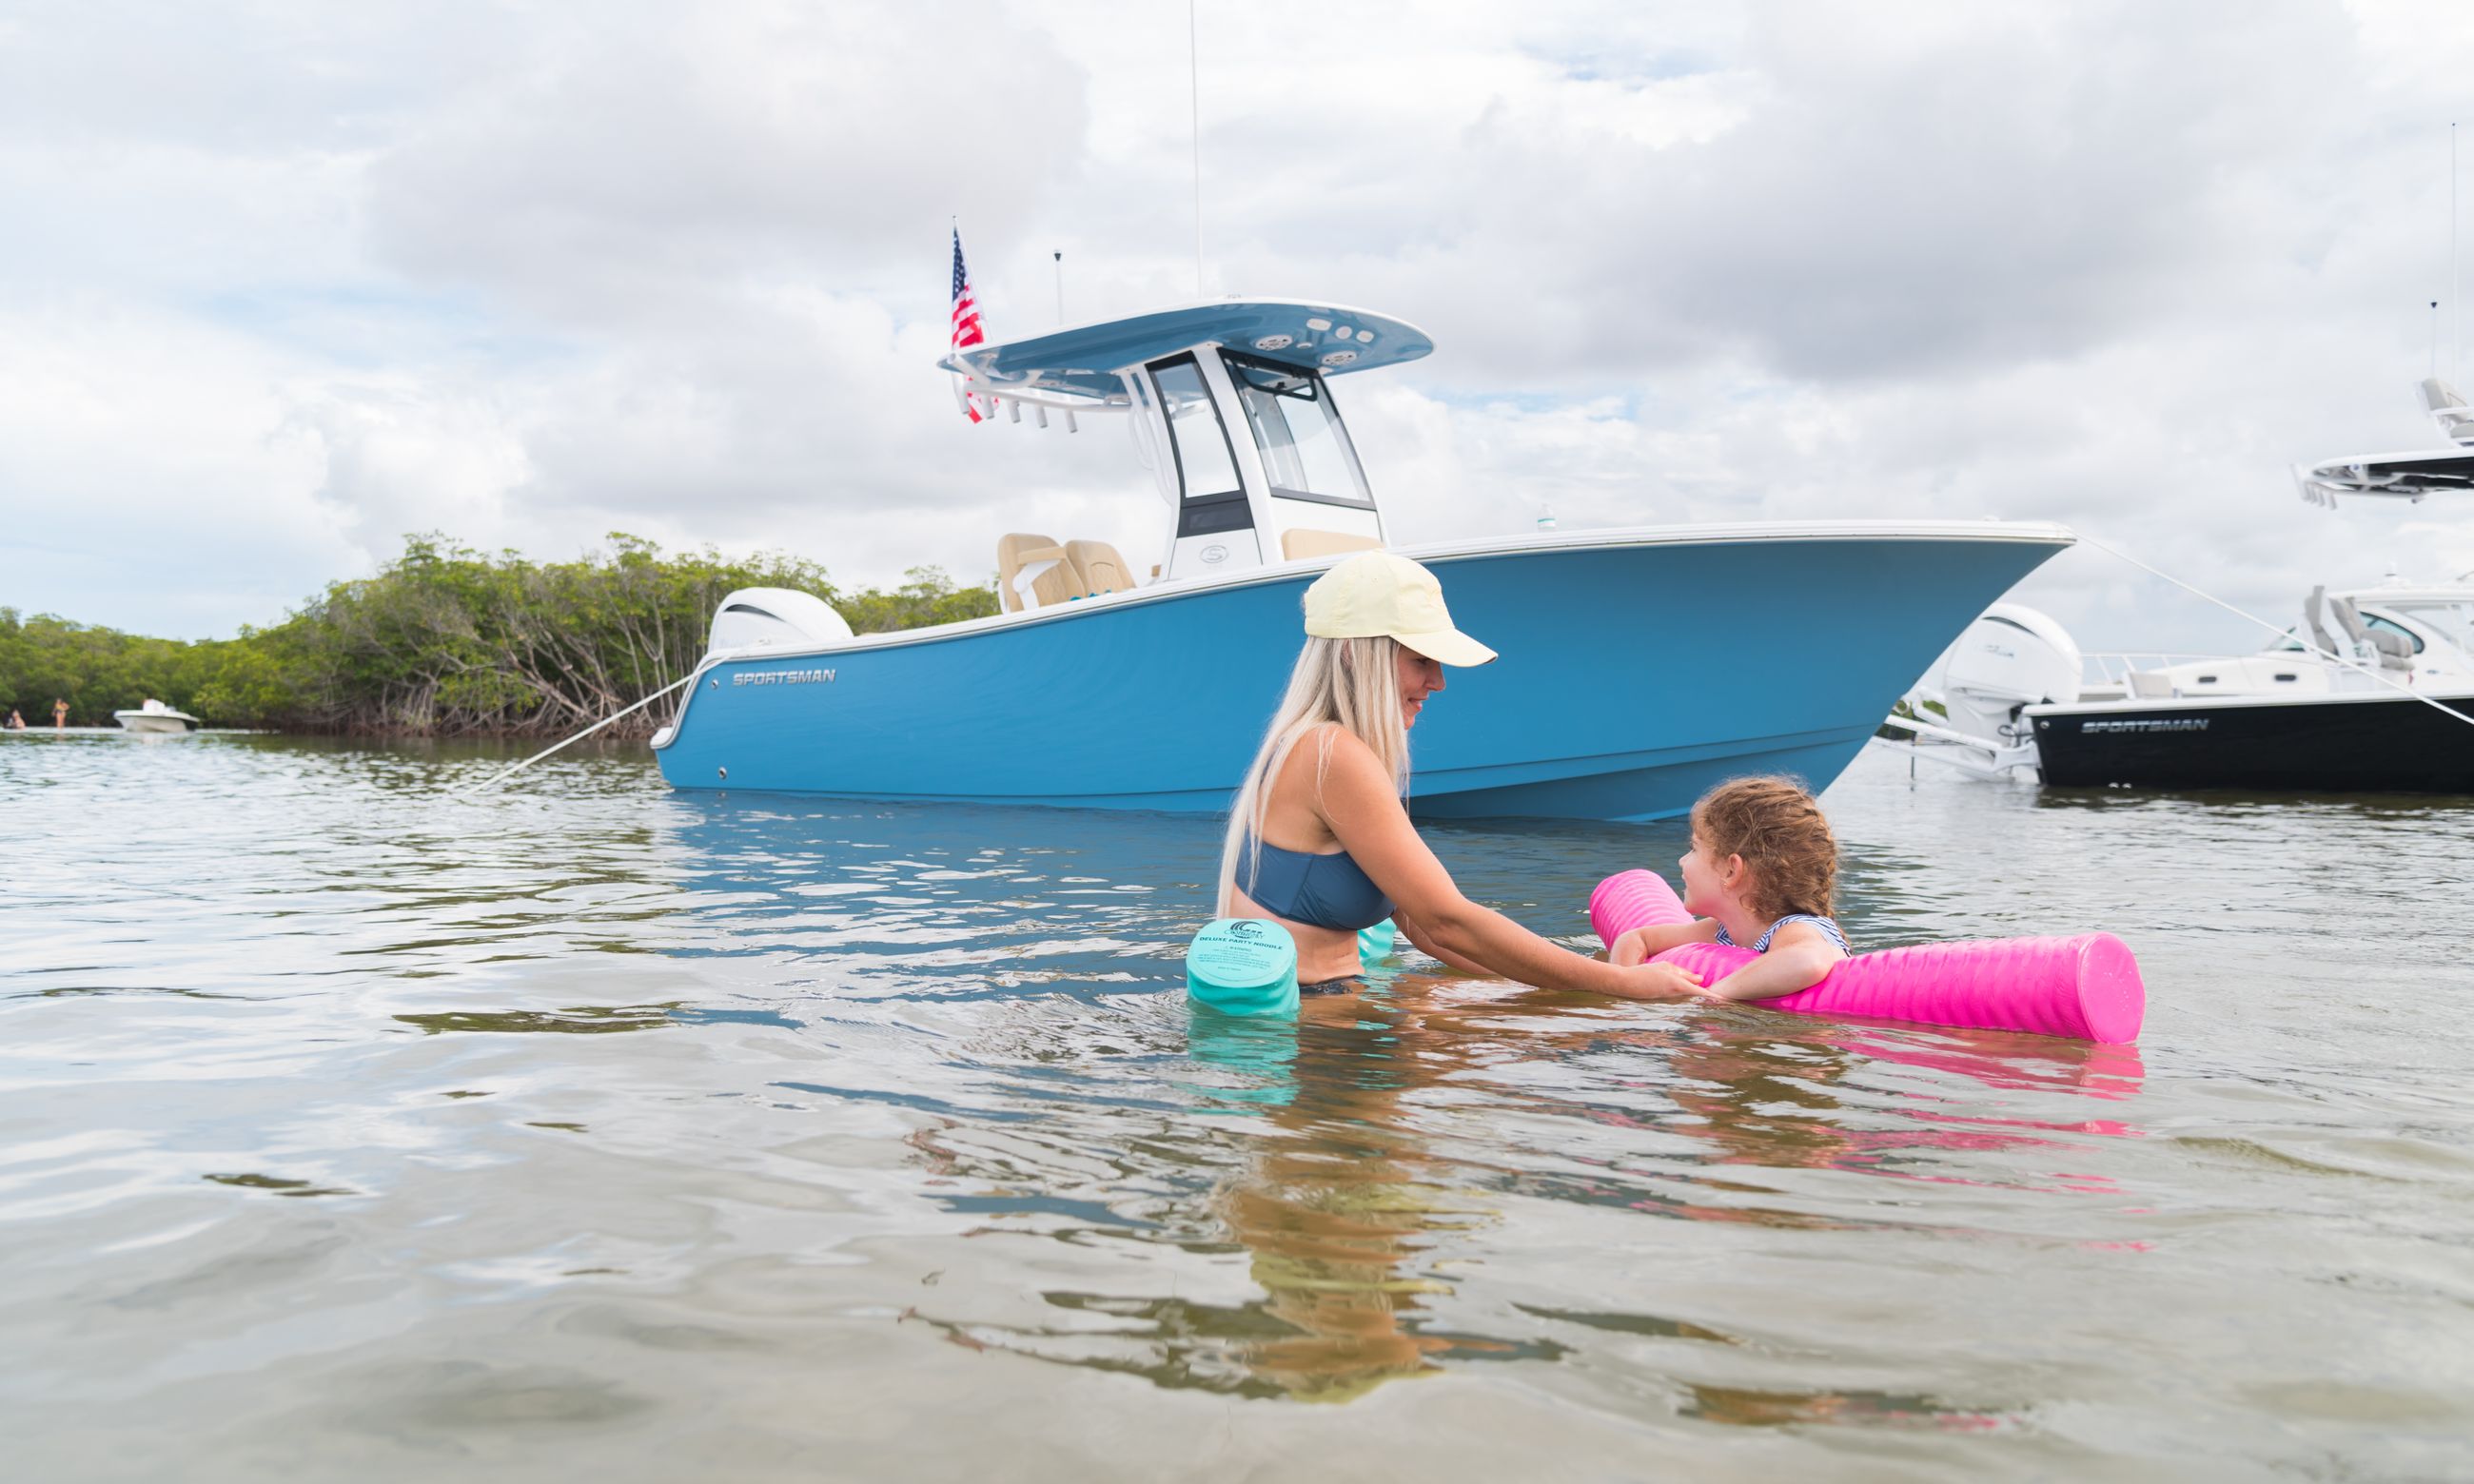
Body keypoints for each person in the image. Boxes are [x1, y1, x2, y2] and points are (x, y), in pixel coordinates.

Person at [1219, 550, 1702, 999]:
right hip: (1312, 1026)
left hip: (1329, 1006)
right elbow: (1447, 920)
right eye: (1421, 660)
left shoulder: (1318, 748)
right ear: (1354, 654)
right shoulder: (1331, 754)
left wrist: (1584, 973)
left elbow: (1427, 930)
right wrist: (1623, 985)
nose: (1439, 681)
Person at [1608, 775, 1850, 1001]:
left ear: (1732, 870)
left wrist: (1710, 997)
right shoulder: (1724, 931)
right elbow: (1637, 937)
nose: (1682, 860)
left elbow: (1808, 961)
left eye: (1694, 848)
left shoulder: (1795, 928)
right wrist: (1625, 985)